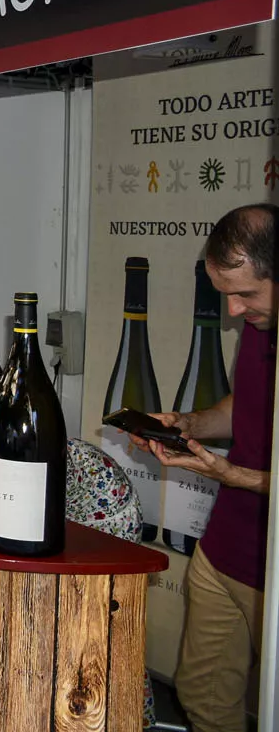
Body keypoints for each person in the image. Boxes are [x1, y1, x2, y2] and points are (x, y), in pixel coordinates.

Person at [133, 204, 277, 732]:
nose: (235, 311)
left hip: (275, 569)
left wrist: (230, 475)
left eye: (246, 295)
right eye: (226, 295)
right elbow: (244, 408)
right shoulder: (263, 324)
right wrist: (186, 423)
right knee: (202, 696)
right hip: (224, 553)